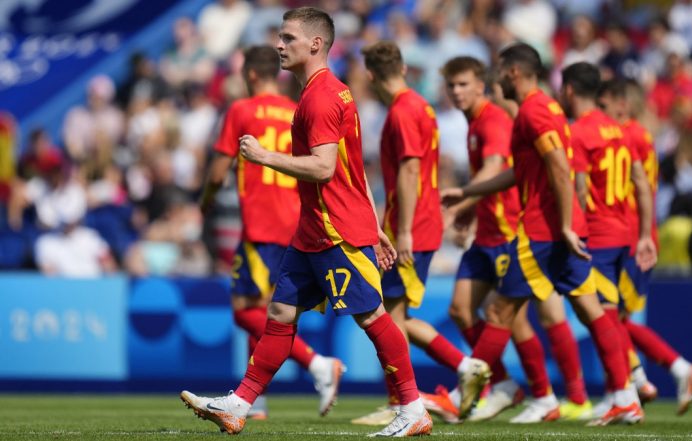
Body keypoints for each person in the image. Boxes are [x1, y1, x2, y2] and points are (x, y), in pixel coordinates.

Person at [180, 8, 432, 437]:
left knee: (372, 316)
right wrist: (378, 227)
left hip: (335, 228)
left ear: (315, 44)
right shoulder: (327, 93)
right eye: (280, 38)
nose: (279, 45)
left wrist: (264, 157)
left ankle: (412, 407)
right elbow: (357, 169)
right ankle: (239, 404)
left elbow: (325, 168)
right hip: (312, 229)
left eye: (288, 38)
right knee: (278, 313)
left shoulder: (318, 98)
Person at [441, 42, 641, 426]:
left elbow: (560, 167)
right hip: (559, 229)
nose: (497, 78)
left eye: (500, 70)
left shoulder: (533, 110)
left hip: (543, 231)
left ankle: (471, 395)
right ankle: (624, 395)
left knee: (499, 311)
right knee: (590, 310)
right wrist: (468, 193)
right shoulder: (546, 108)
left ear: (513, 72)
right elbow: (523, 172)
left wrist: (564, 224)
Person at [425, 56, 591, 424]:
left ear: (484, 84)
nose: (456, 92)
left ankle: (547, 393)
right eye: (451, 85)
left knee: (520, 315)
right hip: (490, 230)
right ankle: (507, 386)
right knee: (464, 310)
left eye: (463, 84)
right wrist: (471, 204)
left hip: (510, 230)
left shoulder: (498, 119)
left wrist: (461, 201)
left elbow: (497, 165)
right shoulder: (475, 125)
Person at [199, 45, 345, 420]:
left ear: (249, 75)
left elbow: (217, 172)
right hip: (297, 224)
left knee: (245, 310)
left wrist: (206, 200)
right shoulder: (295, 110)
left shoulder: (241, 110)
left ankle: (317, 363)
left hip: (261, 225)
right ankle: (256, 400)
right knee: (268, 309)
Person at [352, 42, 490, 426]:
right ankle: (461, 368)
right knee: (395, 314)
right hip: (416, 223)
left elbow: (411, 171)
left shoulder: (401, 111)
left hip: (411, 227)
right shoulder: (421, 106)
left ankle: (403, 403)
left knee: (388, 315)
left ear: (372, 75)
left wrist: (405, 231)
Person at [599, 77, 692, 415]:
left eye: (603, 107)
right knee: (612, 316)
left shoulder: (626, 136)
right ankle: (635, 382)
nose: (599, 115)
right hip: (633, 232)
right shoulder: (642, 136)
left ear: (622, 104)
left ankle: (665, 372)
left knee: (610, 316)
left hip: (628, 236)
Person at [561, 62, 656, 420]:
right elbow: (642, 184)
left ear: (570, 90)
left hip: (597, 237)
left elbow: (581, 190)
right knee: (607, 316)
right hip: (624, 236)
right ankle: (626, 391)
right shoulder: (618, 131)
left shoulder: (579, 133)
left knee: (600, 316)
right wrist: (645, 234)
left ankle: (625, 394)